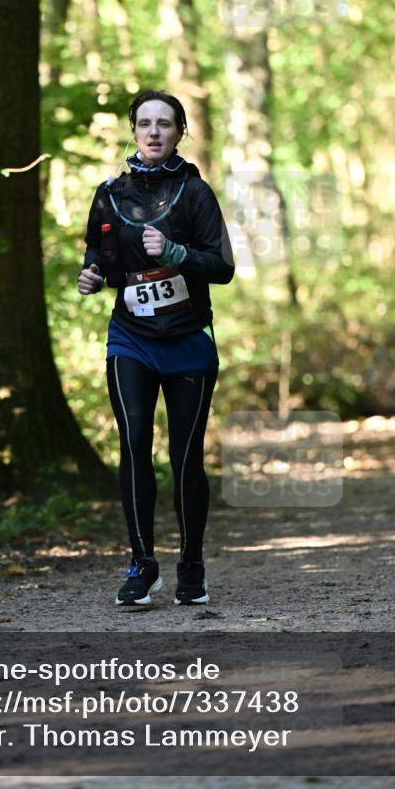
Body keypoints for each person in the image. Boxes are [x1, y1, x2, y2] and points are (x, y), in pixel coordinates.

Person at [78, 90, 235, 607]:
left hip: (189, 340)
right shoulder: (110, 194)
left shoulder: (195, 194)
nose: (153, 132)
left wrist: (175, 252)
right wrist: (94, 274)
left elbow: (223, 267)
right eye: (144, 123)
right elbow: (101, 256)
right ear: (133, 130)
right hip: (132, 339)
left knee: (185, 457)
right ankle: (142, 564)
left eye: (164, 124)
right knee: (133, 443)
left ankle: (191, 562)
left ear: (180, 132)